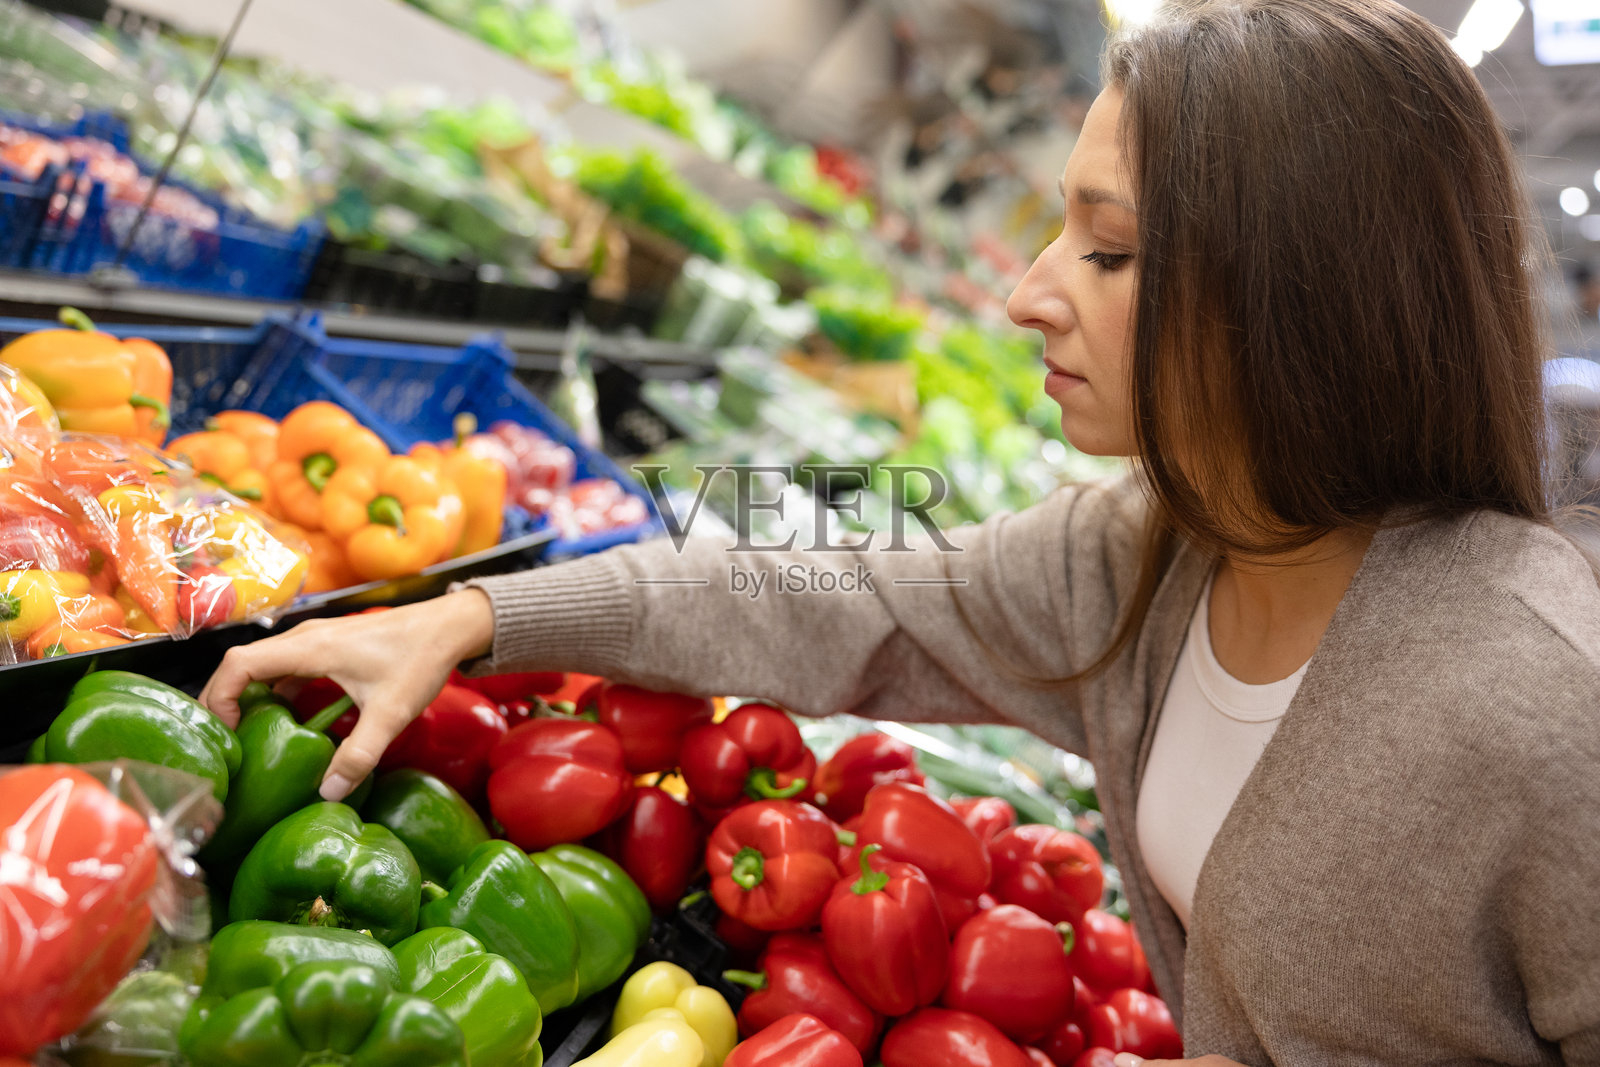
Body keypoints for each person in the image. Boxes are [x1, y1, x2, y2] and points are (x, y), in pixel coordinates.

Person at [201, 1, 1600, 1063]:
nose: (1029, 295)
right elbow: (833, 593)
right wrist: (479, 615)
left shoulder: (1539, 704)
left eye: (1108, 252)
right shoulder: (1158, 555)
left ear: (1297, 304)